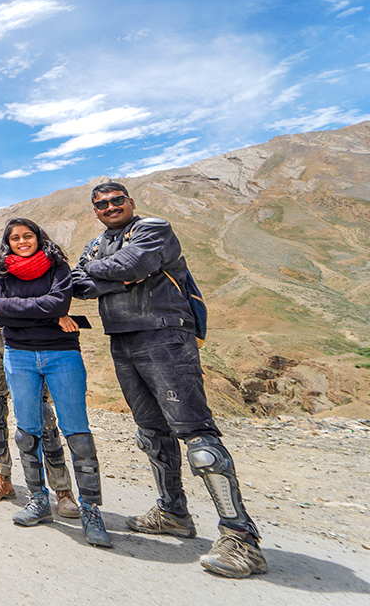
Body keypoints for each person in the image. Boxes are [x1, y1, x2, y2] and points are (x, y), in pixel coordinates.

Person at [72, 182, 266, 577]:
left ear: (131, 203)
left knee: (198, 438)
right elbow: (77, 283)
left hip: (165, 335)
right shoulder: (96, 245)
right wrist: (116, 275)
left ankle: (241, 538)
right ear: (95, 211)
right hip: (122, 339)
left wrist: (116, 272)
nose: (109, 207)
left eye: (116, 201)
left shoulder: (153, 228)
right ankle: (174, 511)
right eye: (101, 204)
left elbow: (132, 265)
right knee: (150, 432)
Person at [0, 218, 112, 548]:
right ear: (8, 243)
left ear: (38, 237)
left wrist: (12, 307)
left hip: (62, 354)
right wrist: (42, 311)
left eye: (27, 236)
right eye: (15, 238)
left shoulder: (57, 266)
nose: (22, 241)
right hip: (19, 355)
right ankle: (38, 500)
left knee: (78, 433)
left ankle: (91, 512)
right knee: (27, 432)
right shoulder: (0, 271)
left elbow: (58, 302)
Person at [0, 217, 79, 517]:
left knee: (43, 413)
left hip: (25, 338)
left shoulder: (16, 261)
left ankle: (62, 489)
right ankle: (2, 477)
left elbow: (41, 296)